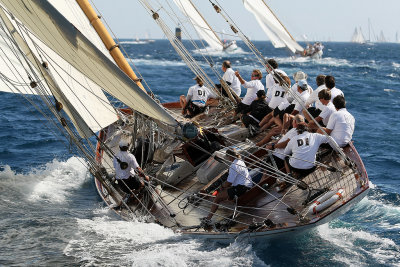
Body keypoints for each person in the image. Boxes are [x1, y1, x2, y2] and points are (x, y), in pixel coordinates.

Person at [202, 148, 252, 222]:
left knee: (217, 198)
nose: (227, 158)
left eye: (228, 157)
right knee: (226, 192)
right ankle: (232, 208)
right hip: (248, 185)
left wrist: (221, 187)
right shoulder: (241, 161)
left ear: (230, 156)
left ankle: (208, 218)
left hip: (241, 188)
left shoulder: (234, 166)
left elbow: (229, 183)